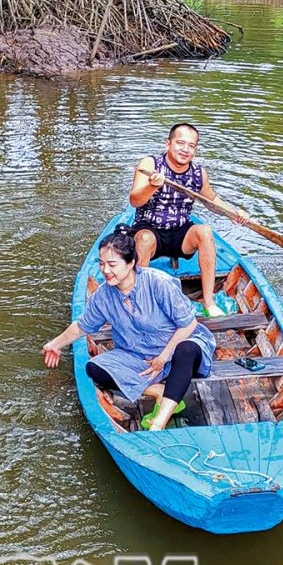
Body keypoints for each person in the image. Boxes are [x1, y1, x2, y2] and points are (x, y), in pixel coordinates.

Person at [42, 227, 215, 431]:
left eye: (112, 264)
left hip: (177, 348)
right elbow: (81, 326)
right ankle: (161, 391)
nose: (105, 270)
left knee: (186, 350)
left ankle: (159, 422)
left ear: (131, 263)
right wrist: (55, 344)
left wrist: (164, 356)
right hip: (139, 356)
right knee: (94, 368)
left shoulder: (158, 283)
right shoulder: (103, 296)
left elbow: (189, 324)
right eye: (101, 264)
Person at [128, 122, 248, 318]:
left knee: (205, 231)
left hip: (180, 233)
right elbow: (134, 200)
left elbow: (212, 201)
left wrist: (234, 214)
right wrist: (152, 186)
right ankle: (141, 302)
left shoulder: (198, 173)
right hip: (149, 231)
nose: (185, 149)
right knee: (144, 239)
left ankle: (208, 303)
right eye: (180, 143)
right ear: (168, 144)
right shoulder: (150, 165)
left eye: (191, 146)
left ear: (195, 150)